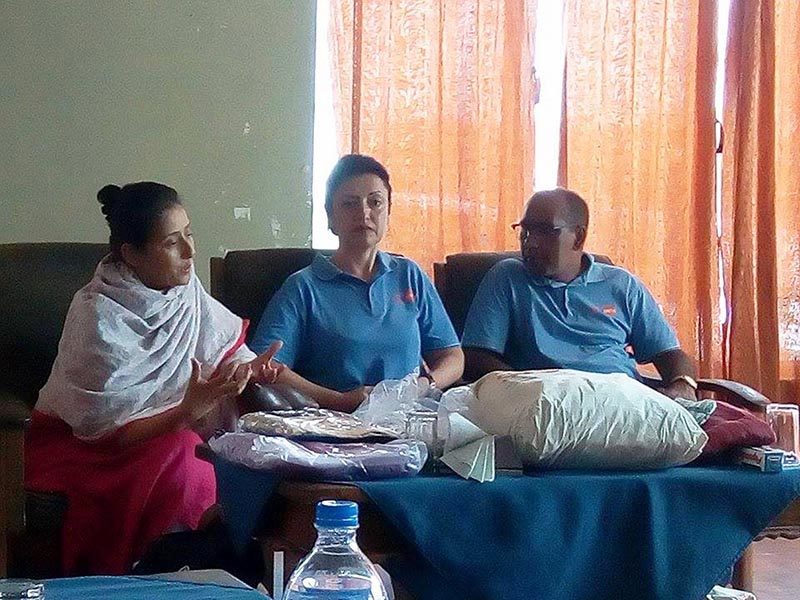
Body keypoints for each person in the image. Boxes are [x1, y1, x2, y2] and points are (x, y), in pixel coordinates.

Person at [24, 181, 282, 575]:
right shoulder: (98, 316)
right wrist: (185, 412)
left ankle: (197, 566)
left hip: (170, 432)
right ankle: (164, 570)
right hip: (88, 452)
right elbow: (105, 431)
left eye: (190, 234)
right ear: (131, 255)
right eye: (171, 243)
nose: (190, 251)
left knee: (226, 450)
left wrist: (253, 372)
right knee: (186, 453)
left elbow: (228, 350)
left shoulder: (185, 292)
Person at [250, 154, 464, 411]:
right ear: (330, 218)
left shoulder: (409, 275)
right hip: (333, 427)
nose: (364, 213)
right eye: (349, 204)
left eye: (375, 202)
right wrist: (341, 401)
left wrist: (424, 385)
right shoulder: (303, 287)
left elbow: (453, 356)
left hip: (411, 421)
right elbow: (264, 365)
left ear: (388, 212)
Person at [461, 187, 698, 400]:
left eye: (544, 231)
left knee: (725, 426)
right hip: (549, 401)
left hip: (623, 400)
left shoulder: (621, 285)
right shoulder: (508, 278)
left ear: (579, 237)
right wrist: (529, 389)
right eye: (525, 231)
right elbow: (475, 357)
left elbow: (668, 353)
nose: (530, 242)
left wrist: (683, 384)